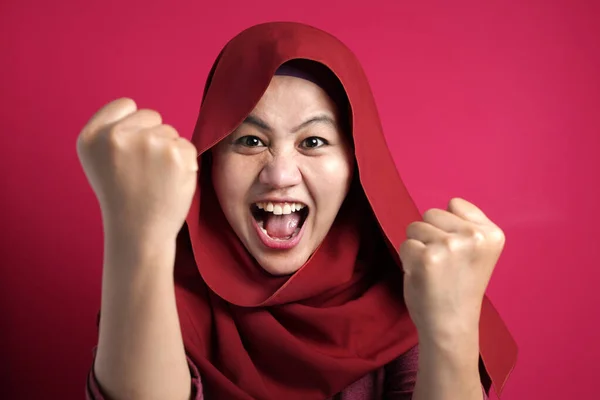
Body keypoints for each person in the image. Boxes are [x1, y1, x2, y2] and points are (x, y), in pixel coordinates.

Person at [77, 22, 517, 400]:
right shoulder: (159, 286)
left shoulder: (411, 297)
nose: (280, 173)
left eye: (313, 142)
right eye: (250, 140)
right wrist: (136, 238)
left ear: (358, 164)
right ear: (209, 160)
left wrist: (453, 328)